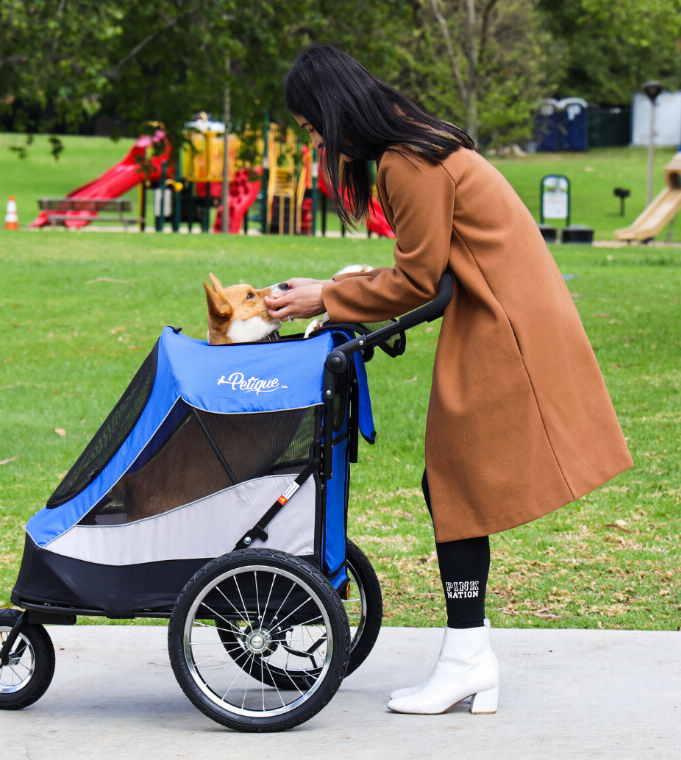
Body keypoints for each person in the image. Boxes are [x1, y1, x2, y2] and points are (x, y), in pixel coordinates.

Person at [265, 45, 633, 716]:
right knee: (450, 483)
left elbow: (416, 280)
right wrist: (344, 284)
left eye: (309, 124)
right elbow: (429, 266)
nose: (311, 138)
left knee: (454, 483)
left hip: (504, 320)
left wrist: (325, 294)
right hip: (500, 307)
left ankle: (467, 658)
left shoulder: (405, 164)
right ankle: (469, 657)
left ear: (332, 109)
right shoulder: (413, 144)